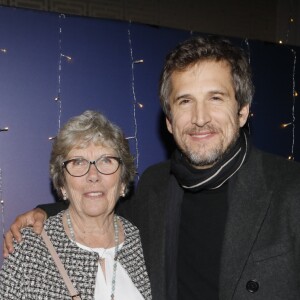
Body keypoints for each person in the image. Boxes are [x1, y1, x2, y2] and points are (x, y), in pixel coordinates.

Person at [3, 36, 300, 299]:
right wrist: (44, 212)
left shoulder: (290, 188)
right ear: (169, 121)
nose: (199, 118)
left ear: (243, 111)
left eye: (215, 98)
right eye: (185, 101)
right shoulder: (157, 185)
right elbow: (99, 205)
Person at [0, 110, 152, 299]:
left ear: (122, 180)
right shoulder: (30, 249)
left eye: (106, 160)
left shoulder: (144, 243)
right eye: (78, 162)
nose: (93, 175)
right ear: (63, 183)